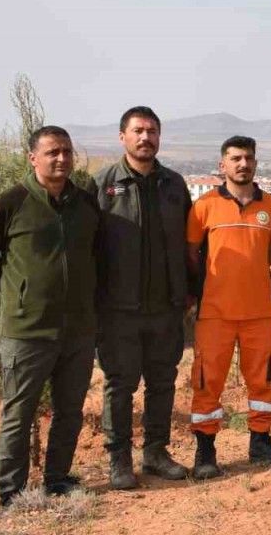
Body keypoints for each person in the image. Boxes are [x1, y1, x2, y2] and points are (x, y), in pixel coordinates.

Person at [0, 126, 102, 506]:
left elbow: (97, 255)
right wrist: (20, 294)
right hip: (27, 331)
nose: (61, 159)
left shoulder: (85, 204)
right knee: (19, 412)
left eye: (66, 152)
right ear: (33, 158)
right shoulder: (10, 203)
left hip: (78, 330)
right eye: (52, 152)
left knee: (70, 411)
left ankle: (57, 479)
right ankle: (11, 492)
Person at [89, 106, 191, 489]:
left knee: (163, 383)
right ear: (123, 137)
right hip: (118, 310)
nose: (145, 137)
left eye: (152, 131)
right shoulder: (102, 185)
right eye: (138, 131)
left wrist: (189, 293)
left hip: (166, 307)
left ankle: (156, 453)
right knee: (120, 385)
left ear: (159, 137)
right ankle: (119, 461)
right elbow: (87, 247)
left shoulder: (174, 185)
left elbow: (191, 245)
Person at [186, 136, 271, 477]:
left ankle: (261, 442)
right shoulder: (204, 207)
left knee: (262, 381)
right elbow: (192, 255)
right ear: (223, 165)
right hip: (214, 313)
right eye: (235, 158)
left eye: (248, 158)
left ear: (255, 163)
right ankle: (205, 452)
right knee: (207, 382)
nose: (242, 164)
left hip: (259, 312)